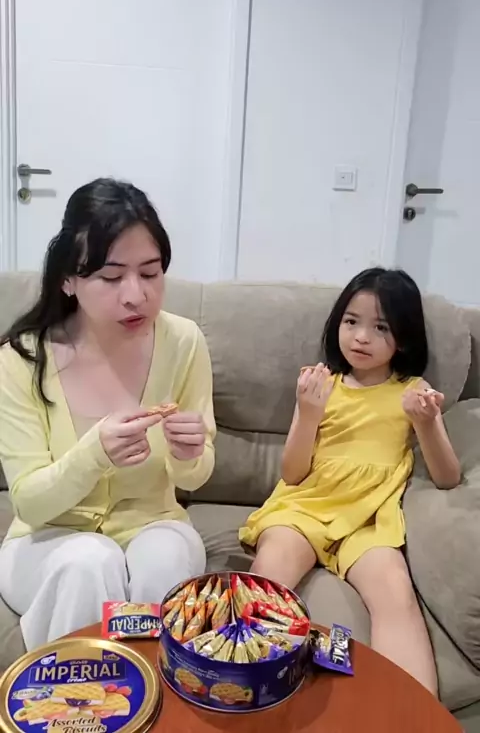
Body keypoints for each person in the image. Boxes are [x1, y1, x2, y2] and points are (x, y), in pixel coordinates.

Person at [0, 178, 215, 650]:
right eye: (112, 278)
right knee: (90, 561)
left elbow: (195, 476)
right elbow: (30, 503)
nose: (136, 295)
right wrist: (94, 454)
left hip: (155, 523)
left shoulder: (183, 342)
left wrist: (190, 453)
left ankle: (160, 691)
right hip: (47, 540)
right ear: (68, 280)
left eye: (151, 273)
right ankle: (72, 694)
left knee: (163, 560)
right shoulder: (21, 359)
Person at [239, 267, 461, 695]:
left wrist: (427, 424)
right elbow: (292, 474)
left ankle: (415, 715)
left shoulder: (414, 392)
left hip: (369, 520)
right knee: (270, 571)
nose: (361, 337)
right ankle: (240, 678)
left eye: (381, 327)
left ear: (404, 338)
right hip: (306, 507)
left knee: (395, 592)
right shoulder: (321, 384)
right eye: (351, 321)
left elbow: (448, 477)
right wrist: (308, 413)